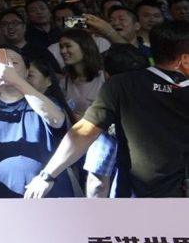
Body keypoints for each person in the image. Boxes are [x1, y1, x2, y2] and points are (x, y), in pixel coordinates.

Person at [25, 20, 189, 199]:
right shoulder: (121, 85)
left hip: (136, 200)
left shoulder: (122, 84)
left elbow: (83, 132)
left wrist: (47, 175)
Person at [0, 48, 71, 197]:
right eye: (2, 63)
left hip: (48, 195)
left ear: (27, 71)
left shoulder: (41, 102)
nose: (7, 68)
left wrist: (17, 82)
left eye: (14, 63)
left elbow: (56, 120)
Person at [55, 29, 106, 117]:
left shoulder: (104, 77)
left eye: (68, 46)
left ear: (84, 47)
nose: (63, 51)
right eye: (61, 47)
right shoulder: (64, 82)